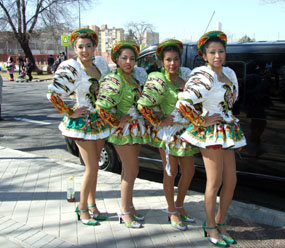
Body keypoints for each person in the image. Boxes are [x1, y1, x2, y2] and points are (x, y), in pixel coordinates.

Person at [176, 31, 247, 247]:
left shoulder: (230, 73)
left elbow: (232, 99)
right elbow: (183, 103)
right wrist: (200, 121)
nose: (218, 55)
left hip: (228, 131)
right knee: (214, 182)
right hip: (211, 133)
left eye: (221, 51)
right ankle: (209, 225)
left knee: (231, 181)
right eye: (212, 52)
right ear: (204, 55)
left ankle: (220, 221)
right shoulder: (203, 76)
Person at [47, 28, 110, 226]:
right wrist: (70, 112)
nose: (84, 50)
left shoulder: (100, 65)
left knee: (96, 168)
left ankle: (92, 205)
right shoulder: (72, 68)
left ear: (94, 48)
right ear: (74, 49)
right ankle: (81, 207)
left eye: (88, 46)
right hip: (82, 124)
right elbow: (53, 94)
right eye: (80, 47)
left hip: (99, 121)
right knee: (91, 167)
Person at [137, 39, 198, 231]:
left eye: (176, 59)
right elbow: (143, 106)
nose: (173, 63)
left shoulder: (186, 76)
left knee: (189, 172)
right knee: (171, 172)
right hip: (168, 134)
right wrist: (159, 121)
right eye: (168, 60)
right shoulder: (158, 79)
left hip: (186, 132)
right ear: (162, 61)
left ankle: (180, 205)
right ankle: (171, 210)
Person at [96, 40, 149, 228]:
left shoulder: (135, 78)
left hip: (136, 129)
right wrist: (116, 121)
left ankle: (129, 206)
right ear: (116, 59)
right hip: (123, 132)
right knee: (132, 170)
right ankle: (125, 212)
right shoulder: (113, 79)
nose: (128, 61)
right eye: (124, 58)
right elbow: (101, 108)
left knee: (128, 170)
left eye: (132, 58)